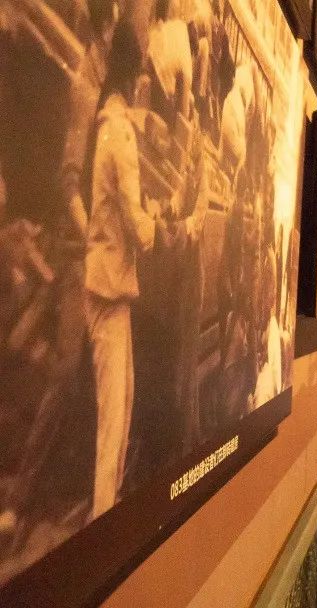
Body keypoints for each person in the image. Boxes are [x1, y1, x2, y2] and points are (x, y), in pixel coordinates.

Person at [84, 23, 156, 519]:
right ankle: (102, 520)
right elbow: (135, 219)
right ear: (134, 76)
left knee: (122, 406)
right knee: (114, 420)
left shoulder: (103, 126)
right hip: (110, 288)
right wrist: (154, 226)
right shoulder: (121, 133)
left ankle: (105, 512)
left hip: (104, 284)